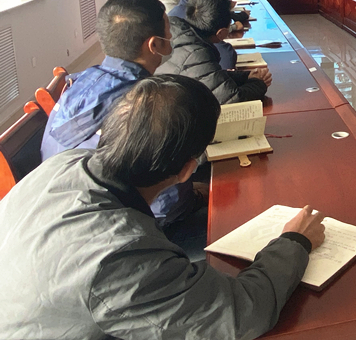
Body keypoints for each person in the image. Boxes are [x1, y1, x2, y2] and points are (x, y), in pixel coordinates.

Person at [0, 74, 325, 339]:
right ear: (187, 170)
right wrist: (294, 242)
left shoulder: (65, 163)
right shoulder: (123, 257)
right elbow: (242, 314)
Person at [40, 0, 171, 161]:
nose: (171, 38)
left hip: (52, 173)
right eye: (168, 33)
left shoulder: (81, 80)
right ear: (154, 44)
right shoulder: (143, 104)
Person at [157, 0, 272, 104]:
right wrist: (259, 83)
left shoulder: (173, 30)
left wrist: (246, 77)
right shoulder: (197, 53)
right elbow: (232, 99)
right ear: (221, 33)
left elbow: (210, 76)